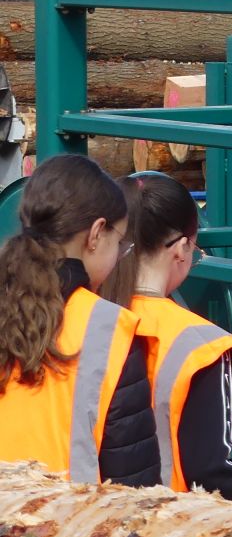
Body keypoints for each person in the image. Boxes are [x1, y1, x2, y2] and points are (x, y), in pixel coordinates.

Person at [100, 174, 232, 501]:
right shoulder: (203, 345)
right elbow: (211, 471)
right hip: (166, 530)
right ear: (181, 248)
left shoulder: (80, 317)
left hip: (75, 517)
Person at [0, 154, 160, 486]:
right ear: (96, 234)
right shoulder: (108, 329)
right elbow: (134, 491)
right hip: (69, 532)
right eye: (120, 242)